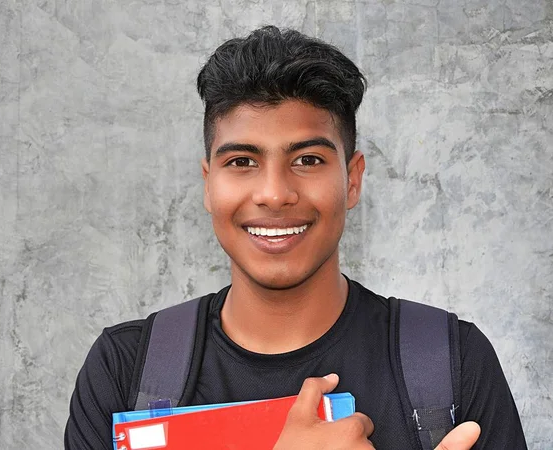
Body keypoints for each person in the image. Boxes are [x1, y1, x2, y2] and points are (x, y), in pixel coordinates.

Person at [65, 26, 526, 449]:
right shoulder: (124, 371)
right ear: (208, 184)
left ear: (352, 180)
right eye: (242, 161)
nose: (274, 194)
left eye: (307, 160)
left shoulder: (452, 363)